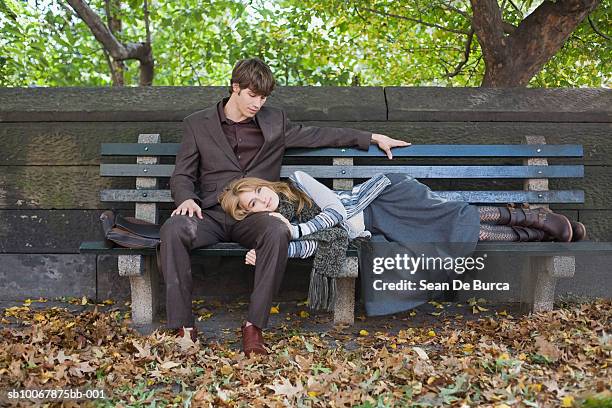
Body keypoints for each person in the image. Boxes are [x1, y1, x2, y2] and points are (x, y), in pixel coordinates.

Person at [160, 57, 408, 355]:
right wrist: (186, 198)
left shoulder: (274, 122)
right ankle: (183, 326)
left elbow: (319, 135)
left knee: (279, 230)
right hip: (211, 213)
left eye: (263, 98)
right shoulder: (197, 124)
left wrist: (371, 138)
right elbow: (183, 174)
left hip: (256, 215)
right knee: (174, 228)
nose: (257, 104)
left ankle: (254, 327)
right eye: (252, 95)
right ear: (235, 87)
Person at [218, 170, 587, 316]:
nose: (261, 201)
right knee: (449, 240)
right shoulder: (278, 227)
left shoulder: (298, 181)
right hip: (377, 228)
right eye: (252, 206)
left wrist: (293, 232)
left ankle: (533, 219)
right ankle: (536, 231)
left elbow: (334, 211)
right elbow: (314, 247)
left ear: (262, 184)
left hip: (385, 198)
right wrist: (272, 247)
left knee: (451, 218)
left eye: (258, 193)